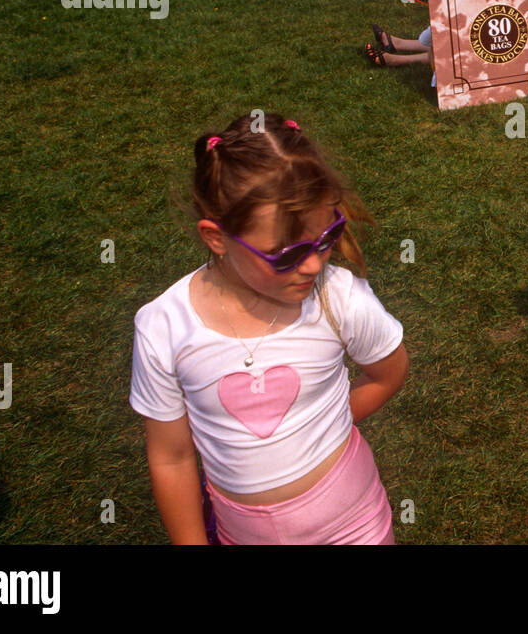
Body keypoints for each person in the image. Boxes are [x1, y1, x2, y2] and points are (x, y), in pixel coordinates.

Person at [130, 113, 409, 544]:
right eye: (284, 254)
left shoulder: (339, 298)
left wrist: (324, 427)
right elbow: (172, 456)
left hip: (357, 529)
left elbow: (390, 372)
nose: (314, 264)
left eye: (326, 237)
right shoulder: (164, 328)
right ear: (216, 237)